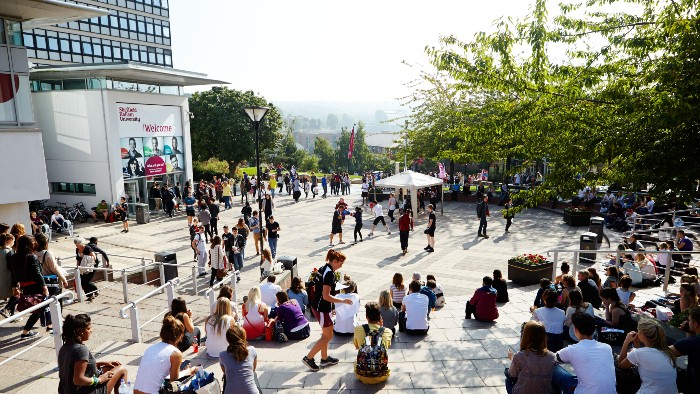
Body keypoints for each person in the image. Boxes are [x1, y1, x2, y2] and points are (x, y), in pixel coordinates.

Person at [303, 249, 353, 371]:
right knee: (328, 336)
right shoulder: (329, 273)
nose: (341, 266)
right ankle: (309, 358)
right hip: (322, 308)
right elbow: (326, 296)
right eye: (341, 263)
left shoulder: (323, 268)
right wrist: (343, 301)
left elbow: (319, 290)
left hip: (319, 306)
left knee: (326, 335)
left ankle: (324, 359)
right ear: (335, 261)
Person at [58, 314, 127, 394]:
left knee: (110, 367)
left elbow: (74, 367)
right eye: (88, 328)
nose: (91, 331)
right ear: (80, 331)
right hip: (84, 391)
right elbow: (78, 380)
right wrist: (100, 380)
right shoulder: (81, 349)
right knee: (122, 369)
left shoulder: (64, 347)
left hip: (66, 391)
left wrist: (99, 363)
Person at [554, 312, 616, 394]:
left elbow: (553, 358)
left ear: (576, 330)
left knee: (554, 369)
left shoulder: (571, 350)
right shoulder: (607, 347)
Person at [134, 316, 196, 394]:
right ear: (180, 336)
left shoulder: (151, 348)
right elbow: (174, 384)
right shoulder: (175, 353)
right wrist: (189, 372)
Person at [617, 319, 677, 394]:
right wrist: (636, 346)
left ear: (642, 334)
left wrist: (626, 342)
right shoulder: (667, 352)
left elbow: (621, 365)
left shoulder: (639, 353)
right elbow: (644, 358)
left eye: (638, 331)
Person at [10, 235, 49, 339]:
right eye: (32, 242)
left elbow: (13, 274)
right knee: (38, 310)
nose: (34, 243)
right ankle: (25, 332)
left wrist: (14, 287)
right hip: (35, 286)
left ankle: (48, 325)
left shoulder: (14, 257)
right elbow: (37, 274)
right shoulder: (32, 256)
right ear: (29, 244)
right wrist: (44, 286)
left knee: (38, 309)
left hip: (24, 287)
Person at [505, 321, 556, 394]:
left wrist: (512, 359)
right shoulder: (552, 356)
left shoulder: (520, 356)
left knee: (507, 375)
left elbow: (512, 374)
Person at [353, 301, 393, 384]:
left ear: (367, 317)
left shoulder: (358, 329)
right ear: (380, 317)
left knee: (355, 360)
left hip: (361, 375)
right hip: (382, 376)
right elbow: (386, 347)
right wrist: (381, 327)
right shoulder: (388, 331)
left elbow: (357, 347)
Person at [220, 325, 260, 394]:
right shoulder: (252, 350)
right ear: (244, 337)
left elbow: (225, 372)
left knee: (227, 376)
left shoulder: (222, 355)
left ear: (228, 340)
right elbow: (253, 369)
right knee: (254, 374)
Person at [669, 307, 700, 391]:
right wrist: (688, 330)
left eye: (689, 320)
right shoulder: (691, 342)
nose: (687, 322)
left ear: (695, 324)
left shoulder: (689, 343)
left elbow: (665, 352)